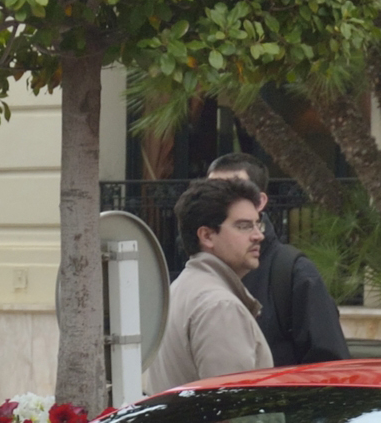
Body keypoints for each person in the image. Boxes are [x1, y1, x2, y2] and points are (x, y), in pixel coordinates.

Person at [206, 153, 350, 367]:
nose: (218, 203)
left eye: (231, 193)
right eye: (210, 193)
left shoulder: (292, 274)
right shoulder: (196, 274)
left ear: (260, 201)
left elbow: (330, 367)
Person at [146, 177, 275, 392]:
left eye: (257, 224)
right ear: (206, 236)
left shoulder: (181, 290)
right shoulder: (220, 306)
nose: (258, 235)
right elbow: (231, 411)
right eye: (243, 226)